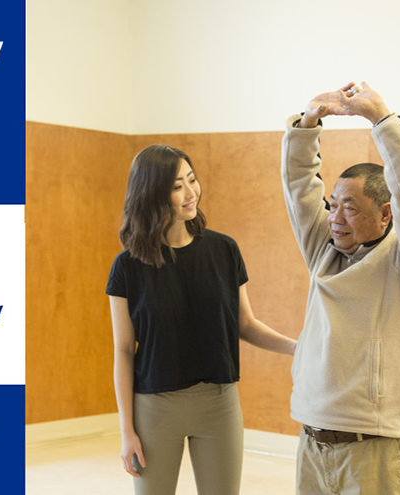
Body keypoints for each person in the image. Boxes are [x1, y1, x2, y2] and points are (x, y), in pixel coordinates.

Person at [281, 82, 400, 495]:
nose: (334, 217)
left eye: (350, 207)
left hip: (374, 448)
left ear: (385, 214)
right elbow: (301, 187)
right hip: (312, 443)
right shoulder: (325, 251)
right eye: (333, 204)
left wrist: (381, 119)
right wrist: (307, 124)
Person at [106, 144, 297, 495]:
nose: (190, 192)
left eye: (192, 180)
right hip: (154, 407)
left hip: (218, 404)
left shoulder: (224, 251)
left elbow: (245, 324)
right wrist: (126, 430)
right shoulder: (128, 266)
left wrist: (298, 348)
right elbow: (123, 351)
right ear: (151, 194)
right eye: (177, 186)